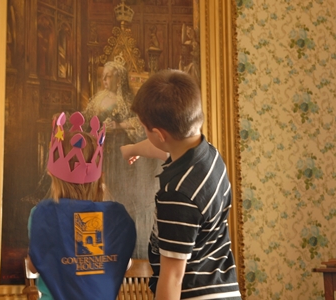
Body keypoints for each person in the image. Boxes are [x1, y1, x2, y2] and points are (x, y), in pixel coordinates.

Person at [121, 70, 241, 299]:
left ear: (158, 133)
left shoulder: (178, 195)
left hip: (194, 293)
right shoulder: (209, 156)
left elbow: (172, 278)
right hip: (223, 288)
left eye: (145, 129)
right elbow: (166, 150)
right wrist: (132, 149)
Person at [27, 111, 137, 299]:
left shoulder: (41, 214)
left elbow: (34, 265)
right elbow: (124, 263)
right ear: (98, 178)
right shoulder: (111, 218)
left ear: (53, 175)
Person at [84, 58, 161, 259]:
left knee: (120, 197)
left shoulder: (128, 101)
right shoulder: (98, 99)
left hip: (120, 154)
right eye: (103, 77)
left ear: (119, 79)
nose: (105, 81)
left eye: (109, 76)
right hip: (101, 151)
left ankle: (123, 245)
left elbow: (140, 123)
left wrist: (118, 126)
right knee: (101, 193)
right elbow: (86, 120)